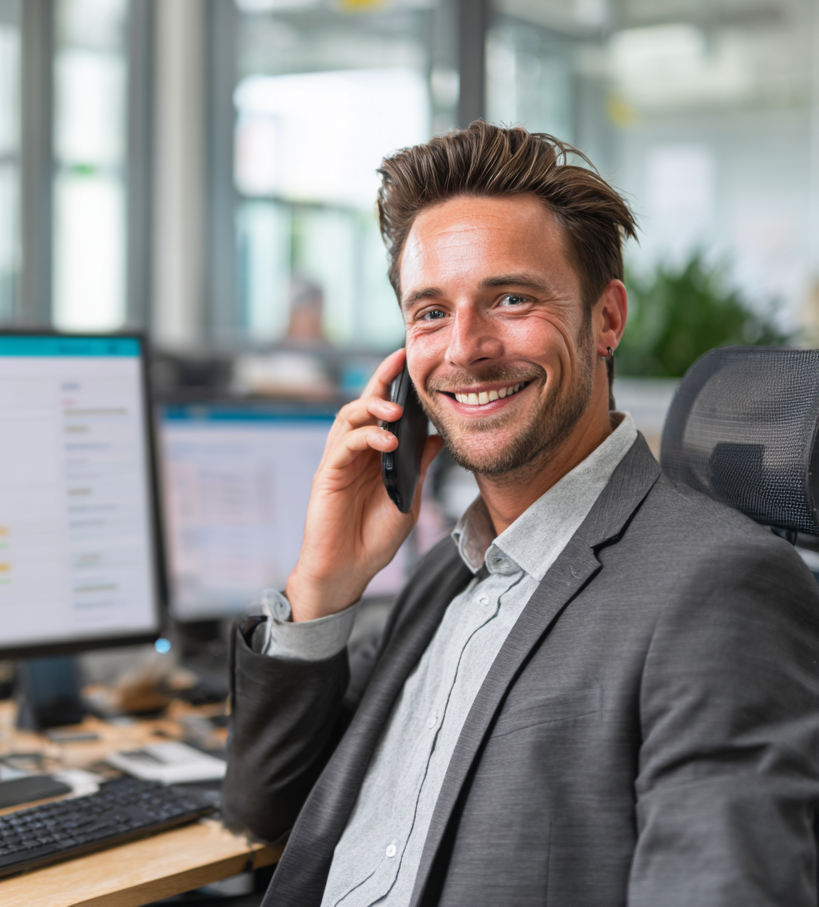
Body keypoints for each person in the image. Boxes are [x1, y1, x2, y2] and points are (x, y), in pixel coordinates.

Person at [221, 121, 819, 906]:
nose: (464, 349)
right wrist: (323, 583)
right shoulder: (450, 571)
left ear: (606, 320)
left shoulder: (720, 589)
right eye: (430, 312)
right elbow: (263, 807)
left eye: (510, 298)